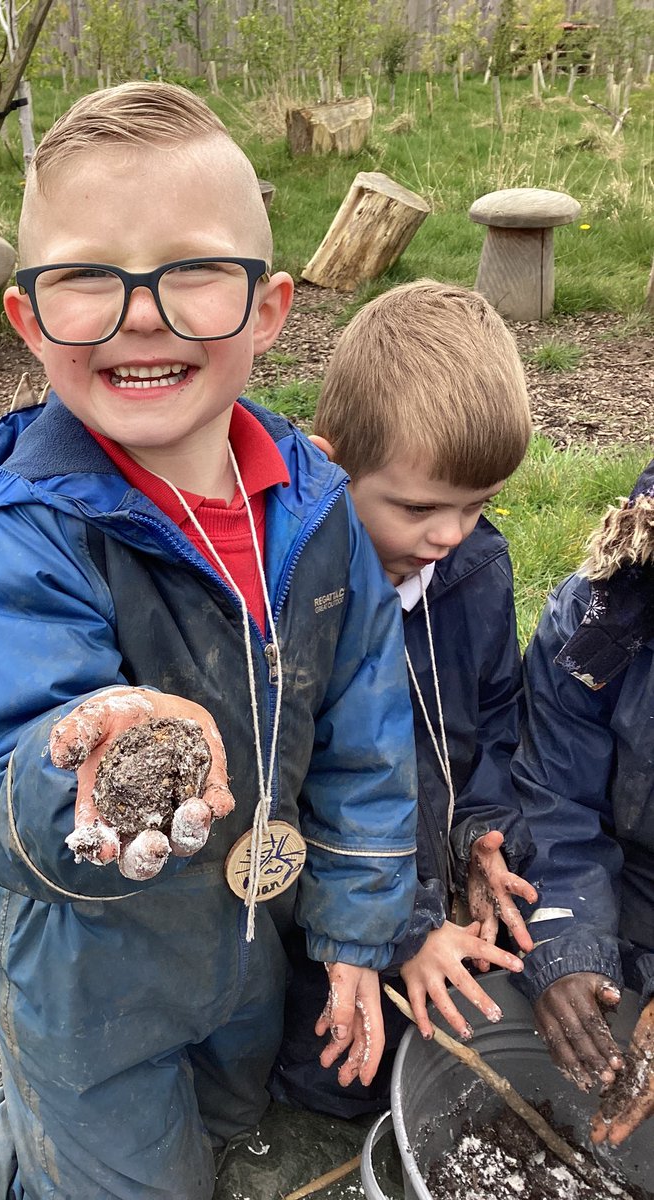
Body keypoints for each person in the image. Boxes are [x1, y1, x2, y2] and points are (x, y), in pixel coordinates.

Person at [0, 82, 419, 1200]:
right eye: (90, 275)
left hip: (243, 939)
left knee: (232, 1120)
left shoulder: (319, 512)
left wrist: (359, 931)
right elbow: (16, 777)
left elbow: (367, 736)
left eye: (193, 269)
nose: (143, 314)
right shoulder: (27, 540)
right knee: (123, 1186)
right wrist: (92, 755)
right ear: (29, 317)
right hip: (91, 964)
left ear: (270, 308)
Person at [271, 280, 537, 1119]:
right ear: (329, 462)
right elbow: (305, 792)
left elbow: (497, 721)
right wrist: (409, 930)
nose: (450, 535)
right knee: (341, 1088)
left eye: (478, 504)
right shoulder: (298, 606)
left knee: (494, 1036)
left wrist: (482, 834)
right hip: (320, 914)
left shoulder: (474, 573)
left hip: (433, 878)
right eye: (420, 507)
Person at [512, 457, 654, 1148]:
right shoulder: (601, 616)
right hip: (615, 875)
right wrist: (564, 940)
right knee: (537, 969)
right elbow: (554, 796)